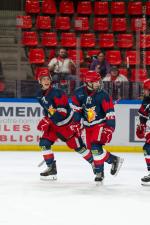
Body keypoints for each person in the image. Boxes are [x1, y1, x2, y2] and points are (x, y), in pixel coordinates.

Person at [36, 72, 96, 180]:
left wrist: (47, 120)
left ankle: (95, 163)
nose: (46, 81)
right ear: (39, 81)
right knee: (44, 143)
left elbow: (62, 113)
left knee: (78, 148)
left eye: (47, 79)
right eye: (43, 79)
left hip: (67, 124)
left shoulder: (58, 93)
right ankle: (51, 169)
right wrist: (47, 118)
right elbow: (48, 109)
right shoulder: (39, 95)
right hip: (54, 124)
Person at [71, 70, 124, 182]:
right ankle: (110, 163)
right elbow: (77, 111)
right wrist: (75, 123)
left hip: (100, 124)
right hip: (87, 126)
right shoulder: (78, 93)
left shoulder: (103, 95)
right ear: (88, 83)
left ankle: (101, 169)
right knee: (92, 149)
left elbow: (110, 114)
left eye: (98, 81)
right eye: (95, 82)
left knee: (95, 148)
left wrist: (109, 129)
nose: (98, 84)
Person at [136, 79, 150, 186]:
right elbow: (143, 116)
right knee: (147, 148)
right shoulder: (146, 100)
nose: (144, 92)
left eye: (146, 89)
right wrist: (141, 126)